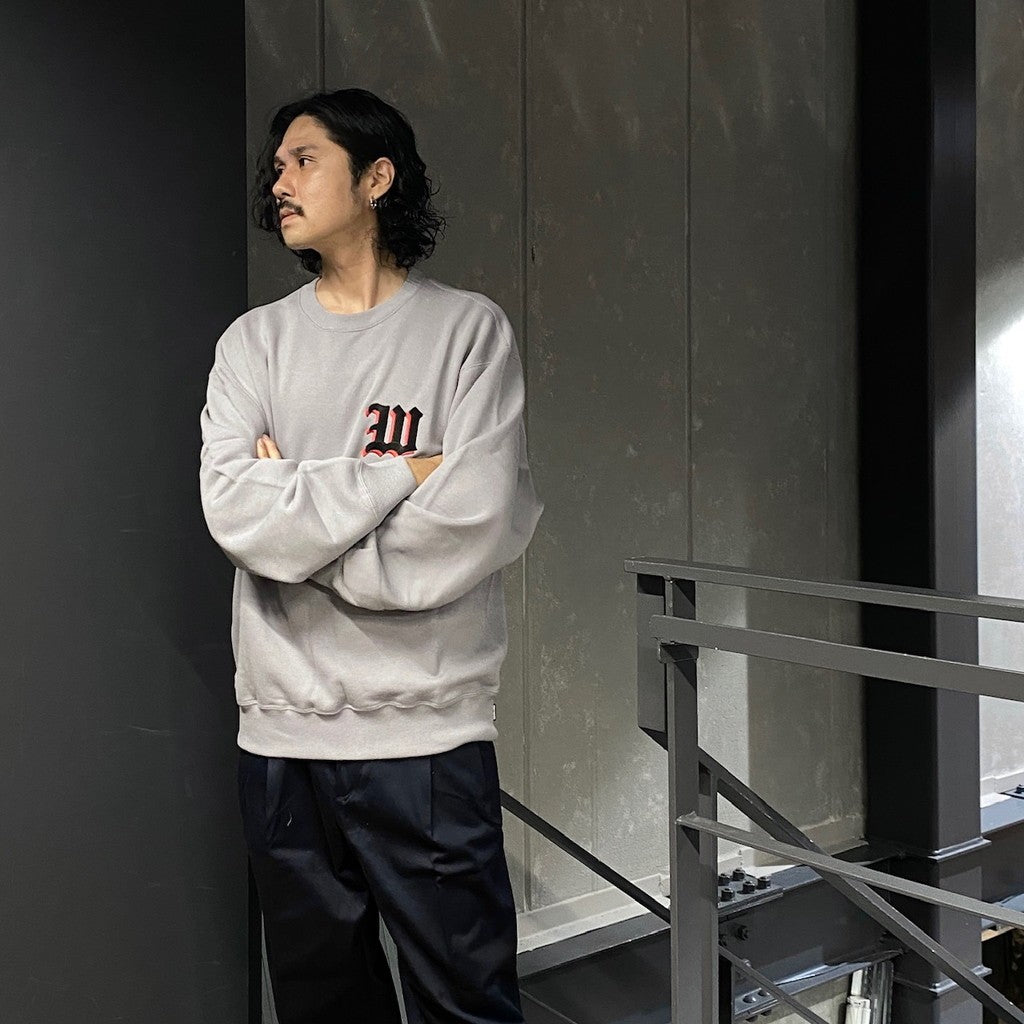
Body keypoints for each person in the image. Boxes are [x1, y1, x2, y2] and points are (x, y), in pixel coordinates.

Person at [198, 87, 544, 1024]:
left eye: (303, 160)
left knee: (465, 1005)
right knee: (323, 1008)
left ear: (377, 176)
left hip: (426, 739)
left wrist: (300, 526)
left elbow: (474, 522)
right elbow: (235, 510)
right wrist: (400, 474)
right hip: (281, 743)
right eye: (276, 166)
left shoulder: (467, 333)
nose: (278, 181)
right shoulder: (253, 345)